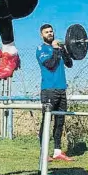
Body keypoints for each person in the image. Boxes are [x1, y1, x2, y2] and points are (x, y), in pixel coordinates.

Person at [36, 24, 75, 162]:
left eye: (51, 31)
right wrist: (55, 49)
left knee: (60, 121)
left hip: (61, 89)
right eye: (47, 32)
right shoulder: (41, 49)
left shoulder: (58, 48)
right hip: (49, 90)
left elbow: (69, 63)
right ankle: (44, 153)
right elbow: (51, 65)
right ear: (42, 35)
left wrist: (63, 50)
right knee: (47, 121)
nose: (50, 33)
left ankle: (57, 151)